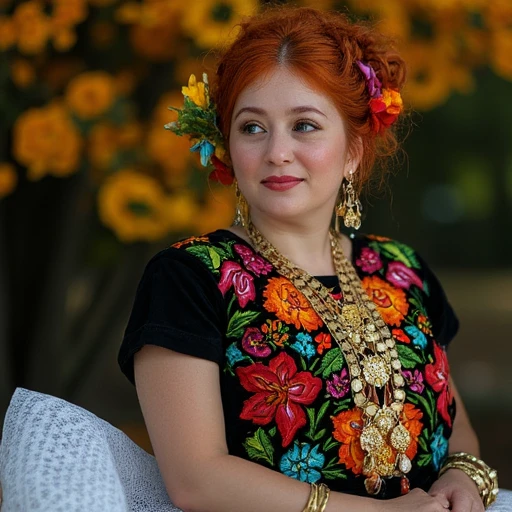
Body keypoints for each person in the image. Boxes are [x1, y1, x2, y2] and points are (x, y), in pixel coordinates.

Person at [118, 6, 503, 512]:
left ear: (353, 151)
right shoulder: (192, 277)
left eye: (304, 125)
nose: (277, 151)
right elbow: (197, 479)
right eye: (252, 128)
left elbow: (460, 430)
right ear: (227, 147)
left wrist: (464, 476)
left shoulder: (402, 271)